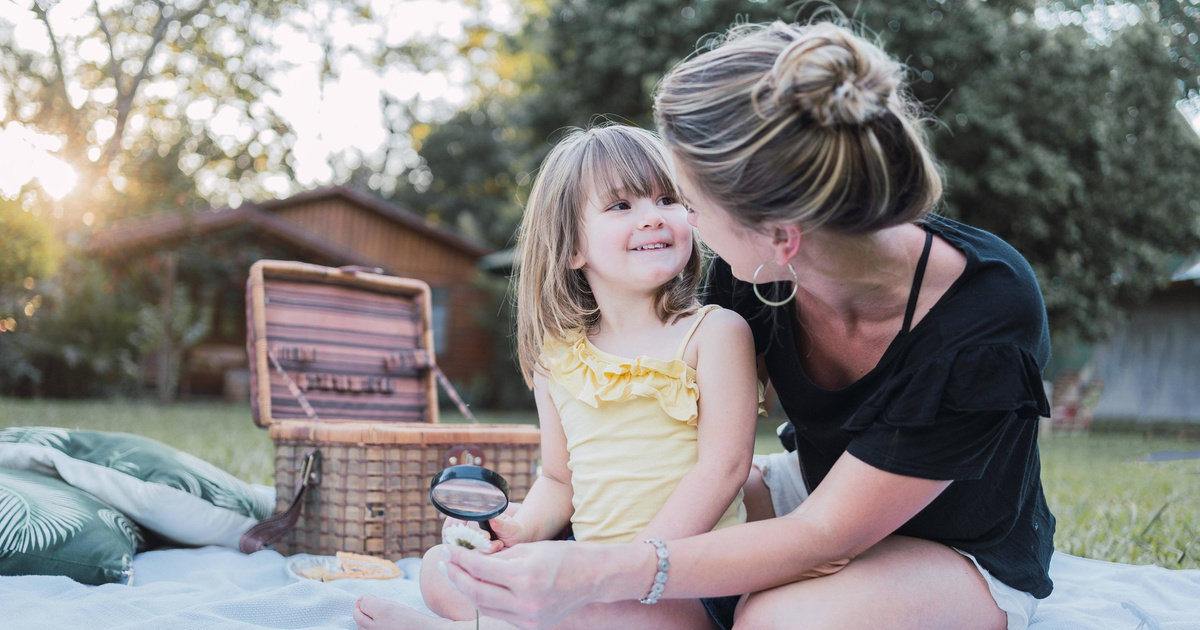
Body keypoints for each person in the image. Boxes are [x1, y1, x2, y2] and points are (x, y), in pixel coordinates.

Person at [427, 19, 1057, 630]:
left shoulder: (986, 314)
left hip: (960, 545)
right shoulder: (755, 270)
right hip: (819, 490)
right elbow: (665, 439)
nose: (683, 225)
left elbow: (824, 535)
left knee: (777, 621)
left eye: (685, 203)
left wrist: (602, 572)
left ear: (782, 236)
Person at [354, 124, 763, 629]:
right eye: (621, 206)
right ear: (572, 249)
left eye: (667, 199)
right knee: (443, 568)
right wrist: (518, 528)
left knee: (620, 619)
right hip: (583, 569)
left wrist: (625, 570)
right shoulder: (558, 357)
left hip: (685, 581)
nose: (653, 218)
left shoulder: (715, 332)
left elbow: (723, 469)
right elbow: (558, 479)